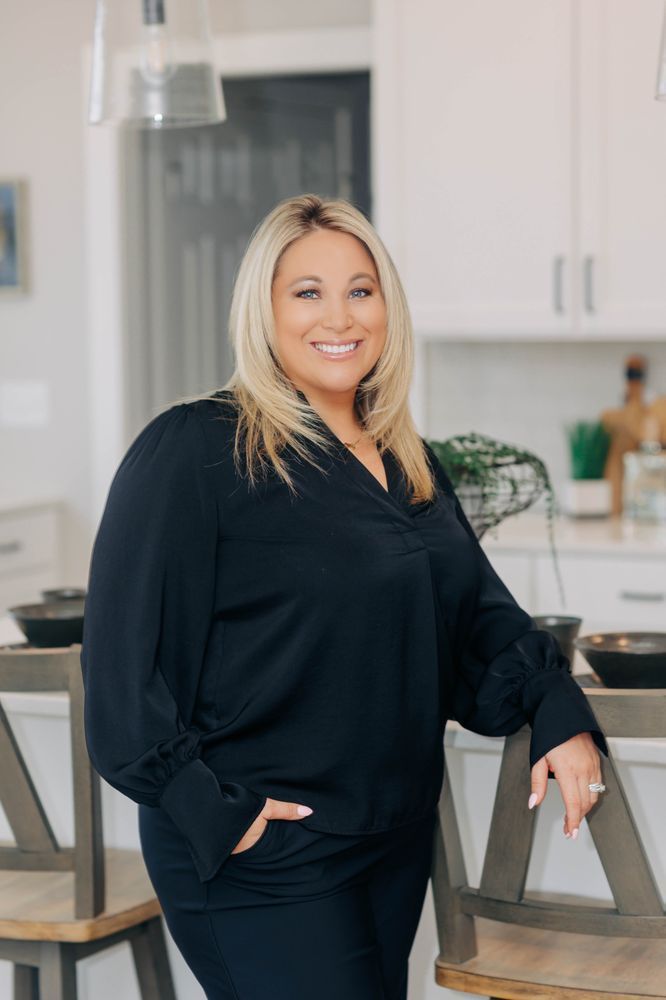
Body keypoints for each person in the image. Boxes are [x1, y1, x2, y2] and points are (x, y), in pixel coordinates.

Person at [79, 193, 609, 1000]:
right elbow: (121, 676)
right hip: (265, 851)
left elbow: (474, 622)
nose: (340, 316)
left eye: (361, 290)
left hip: (391, 841)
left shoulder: (408, 460)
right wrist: (220, 812)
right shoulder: (196, 450)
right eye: (307, 292)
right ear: (264, 309)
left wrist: (557, 706)